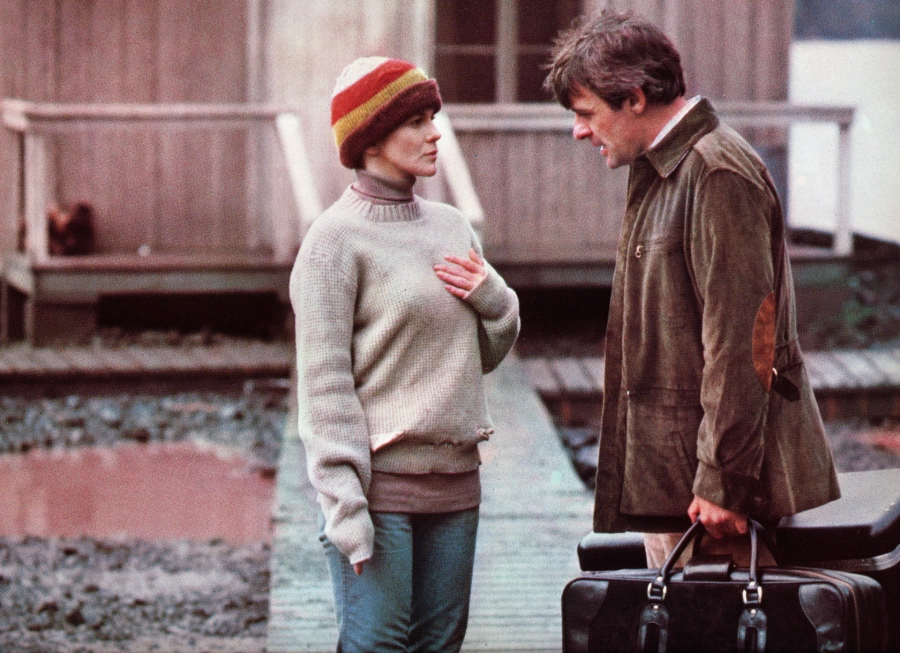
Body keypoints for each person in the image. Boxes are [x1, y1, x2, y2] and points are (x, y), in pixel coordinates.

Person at [544, 11, 840, 567]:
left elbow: (745, 342)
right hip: (677, 490)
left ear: (635, 98)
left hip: (717, 504)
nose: (579, 131)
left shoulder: (715, 172)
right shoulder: (664, 170)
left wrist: (723, 481)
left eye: (586, 113)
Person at [290, 56, 519, 652]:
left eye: (432, 118)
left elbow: (480, 354)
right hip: (379, 494)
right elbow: (324, 388)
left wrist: (496, 301)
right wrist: (344, 507)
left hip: (457, 487)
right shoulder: (332, 242)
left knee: (439, 647)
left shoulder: (451, 227)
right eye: (416, 121)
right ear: (370, 138)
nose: (434, 133)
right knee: (378, 646)